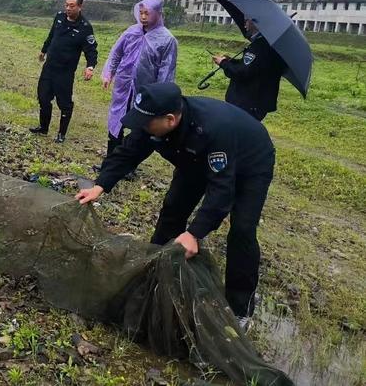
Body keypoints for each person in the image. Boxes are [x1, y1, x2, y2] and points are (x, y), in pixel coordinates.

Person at [76, 82, 275, 330]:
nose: (141, 126)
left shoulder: (213, 129)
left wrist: (194, 234)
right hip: (195, 158)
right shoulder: (152, 122)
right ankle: (155, 273)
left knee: (243, 230)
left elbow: (221, 193)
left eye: (146, 122)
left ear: (170, 120)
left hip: (250, 163)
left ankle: (240, 308)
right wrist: (100, 185)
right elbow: (128, 152)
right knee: (172, 209)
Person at [102, 0, 177, 155]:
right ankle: (111, 158)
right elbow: (116, 53)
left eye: (147, 13)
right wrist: (109, 73)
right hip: (123, 85)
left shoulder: (167, 39)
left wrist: (159, 96)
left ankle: (128, 164)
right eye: (141, 13)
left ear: (157, 13)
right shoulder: (131, 32)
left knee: (140, 126)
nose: (143, 17)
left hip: (146, 90)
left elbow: (167, 70)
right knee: (117, 118)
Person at [30, 0, 98, 143]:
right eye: (66, 5)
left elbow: (91, 49)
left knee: (64, 104)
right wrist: (44, 50)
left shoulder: (85, 27)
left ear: (80, 7)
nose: (68, 8)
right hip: (49, 67)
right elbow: (52, 35)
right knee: (43, 97)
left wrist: (90, 67)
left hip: (65, 72)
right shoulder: (59, 17)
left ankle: (61, 134)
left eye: (72, 6)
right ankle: (43, 128)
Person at [211, 18, 286, 121]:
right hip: (257, 103)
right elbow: (253, 67)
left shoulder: (259, 46)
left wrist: (223, 63)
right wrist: (229, 61)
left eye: (246, 20)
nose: (244, 23)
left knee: (237, 134)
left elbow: (241, 72)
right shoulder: (269, 45)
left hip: (247, 104)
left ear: (255, 23)